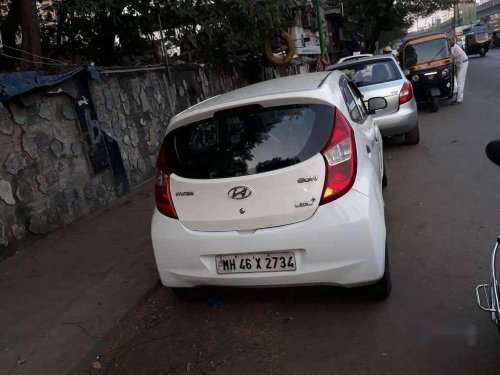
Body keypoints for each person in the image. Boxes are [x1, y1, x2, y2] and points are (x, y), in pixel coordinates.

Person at [450, 38, 469, 104]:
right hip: (459, 63)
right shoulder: (451, 47)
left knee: (460, 80)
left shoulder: (453, 47)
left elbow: (451, 58)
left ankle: (459, 99)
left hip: (463, 63)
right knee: (455, 77)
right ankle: (455, 90)